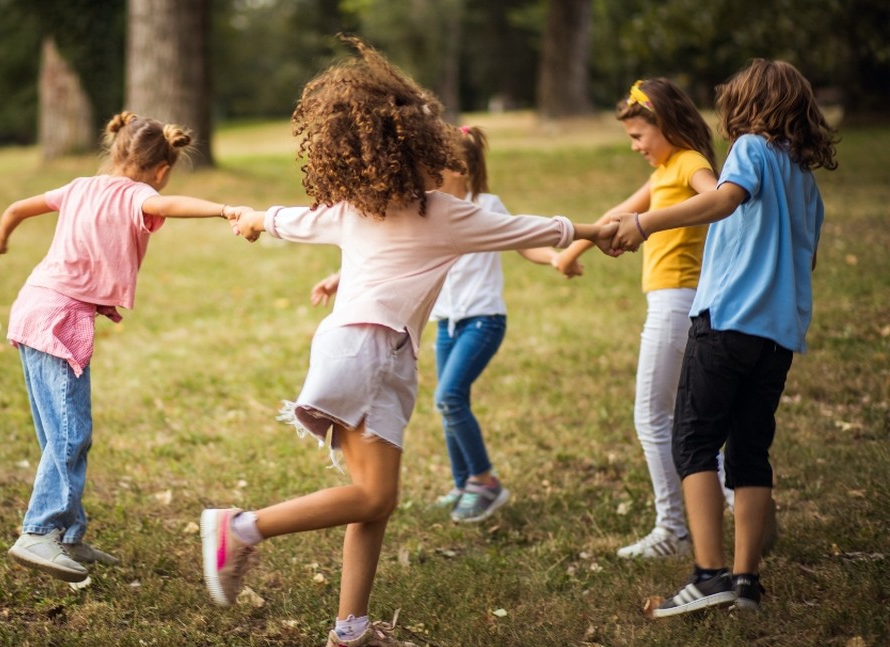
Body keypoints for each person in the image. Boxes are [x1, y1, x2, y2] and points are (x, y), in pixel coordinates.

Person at [198, 37, 618, 647]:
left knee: (378, 499)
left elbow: (288, 218)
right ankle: (240, 528)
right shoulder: (444, 214)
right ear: (415, 151)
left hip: (369, 351)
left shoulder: (357, 208)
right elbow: (529, 228)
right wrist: (596, 232)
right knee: (372, 497)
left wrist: (253, 218)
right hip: (370, 350)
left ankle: (350, 630)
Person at [609, 59, 837, 617]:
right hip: (778, 335)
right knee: (750, 453)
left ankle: (708, 575)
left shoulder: (752, 149)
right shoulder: (806, 184)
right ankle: (746, 584)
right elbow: (804, 264)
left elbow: (724, 200)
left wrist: (645, 223)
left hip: (728, 321)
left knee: (693, 441)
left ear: (749, 106)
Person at [0, 112, 249, 583]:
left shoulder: (79, 186)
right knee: (70, 434)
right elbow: (174, 205)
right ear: (161, 171)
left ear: (116, 149)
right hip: (59, 318)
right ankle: (38, 532)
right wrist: (227, 210)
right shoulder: (140, 195)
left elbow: (19, 207)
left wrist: (1, 233)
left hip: (34, 309)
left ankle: (68, 536)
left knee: (57, 435)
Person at [311, 125, 582, 525]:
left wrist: (556, 258)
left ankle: (485, 482)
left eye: (440, 162)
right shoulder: (426, 209)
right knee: (449, 401)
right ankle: (463, 484)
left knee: (450, 397)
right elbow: (391, 251)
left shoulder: (485, 205)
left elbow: (524, 241)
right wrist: (338, 277)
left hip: (483, 321)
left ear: (462, 168)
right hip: (447, 325)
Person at [554, 78, 741, 559]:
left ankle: (675, 529)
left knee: (654, 418)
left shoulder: (689, 163)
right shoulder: (665, 169)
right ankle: (735, 505)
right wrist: (572, 251)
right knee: (684, 419)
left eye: (639, 136)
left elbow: (718, 197)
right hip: (674, 302)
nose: (635, 146)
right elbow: (621, 211)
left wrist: (658, 221)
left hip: (678, 301)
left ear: (666, 124)